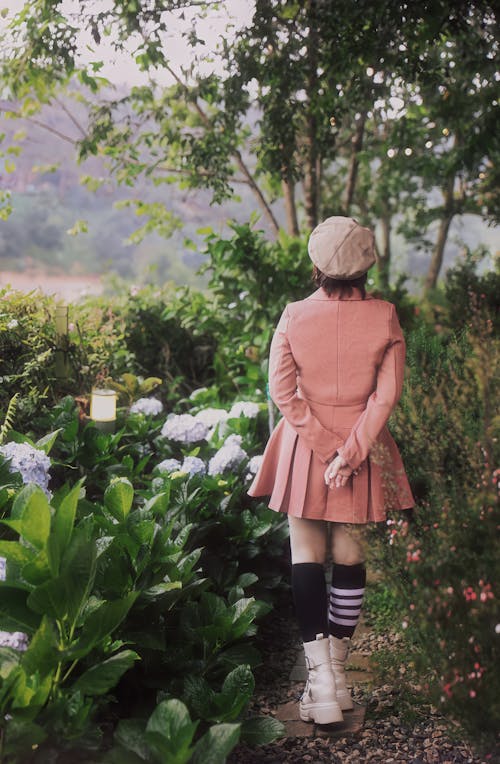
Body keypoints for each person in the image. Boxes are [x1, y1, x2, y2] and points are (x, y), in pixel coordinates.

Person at [248, 216, 415, 725]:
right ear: (366, 265)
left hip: (304, 446)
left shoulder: (294, 316)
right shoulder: (386, 316)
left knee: (306, 554)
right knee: (348, 555)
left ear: (317, 264)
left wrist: (324, 448)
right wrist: (350, 453)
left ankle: (319, 685)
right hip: (362, 449)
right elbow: (387, 394)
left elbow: (282, 392)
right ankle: (338, 677)